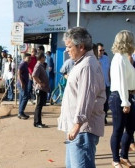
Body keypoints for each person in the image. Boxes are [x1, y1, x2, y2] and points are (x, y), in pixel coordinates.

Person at [57, 27, 106, 168]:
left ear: (81, 46)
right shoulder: (82, 63)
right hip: (78, 128)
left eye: (69, 46)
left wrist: (77, 125)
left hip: (82, 129)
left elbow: (86, 98)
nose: (67, 50)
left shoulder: (87, 66)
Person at [109, 30, 135, 168]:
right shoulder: (119, 58)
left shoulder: (125, 57)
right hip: (120, 96)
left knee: (131, 128)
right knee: (118, 129)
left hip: (128, 95)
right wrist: (125, 102)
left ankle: (124, 156)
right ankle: (115, 159)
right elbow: (121, 82)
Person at [32, 52, 49, 128]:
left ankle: (38, 122)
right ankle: (37, 122)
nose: (45, 58)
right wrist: (40, 83)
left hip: (43, 89)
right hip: (40, 89)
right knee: (39, 106)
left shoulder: (41, 65)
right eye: (44, 57)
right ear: (41, 57)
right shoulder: (38, 65)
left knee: (40, 106)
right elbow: (34, 75)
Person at [97, 43, 111, 124]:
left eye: (103, 50)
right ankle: (99, 118)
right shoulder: (94, 59)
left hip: (106, 84)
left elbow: (109, 70)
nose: (102, 52)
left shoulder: (106, 58)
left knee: (106, 103)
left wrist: (110, 80)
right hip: (98, 85)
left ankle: (104, 117)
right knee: (99, 102)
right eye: (100, 50)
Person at [17, 53, 31, 120]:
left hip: (24, 83)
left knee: (22, 98)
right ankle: (21, 112)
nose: (29, 60)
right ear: (24, 58)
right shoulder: (23, 64)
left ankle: (20, 113)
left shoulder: (25, 64)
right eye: (28, 58)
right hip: (22, 84)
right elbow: (19, 73)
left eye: (30, 59)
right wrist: (21, 82)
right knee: (25, 97)